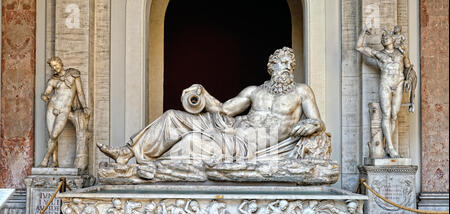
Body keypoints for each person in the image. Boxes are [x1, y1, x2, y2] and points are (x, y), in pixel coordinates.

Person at [97, 47, 325, 164]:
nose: (287, 68)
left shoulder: (301, 91)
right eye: (282, 63)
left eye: (290, 64)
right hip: (230, 127)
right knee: (171, 117)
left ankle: (147, 164)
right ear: (271, 66)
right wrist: (202, 93)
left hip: (245, 144)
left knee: (191, 142)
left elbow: (317, 121)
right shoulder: (255, 91)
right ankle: (127, 152)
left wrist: (313, 125)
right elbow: (224, 110)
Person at [356, 27, 413, 158]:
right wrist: (363, 32)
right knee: (386, 114)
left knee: (394, 115)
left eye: (387, 36)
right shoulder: (379, 54)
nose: (384, 38)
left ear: (393, 39)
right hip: (386, 84)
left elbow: (408, 68)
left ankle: (387, 145)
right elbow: (359, 47)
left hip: (398, 83)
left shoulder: (401, 53)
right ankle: (391, 148)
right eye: (382, 37)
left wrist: (409, 80)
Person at [40, 57, 90, 168]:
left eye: (56, 65)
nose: (55, 68)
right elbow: (47, 92)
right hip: (52, 107)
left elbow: (80, 92)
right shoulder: (53, 80)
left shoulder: (73, 75)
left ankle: (45, 159)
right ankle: (55, 161)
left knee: (54, 135)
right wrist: (44, 96)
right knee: (51, 135)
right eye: (52, 66)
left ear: (61, 63)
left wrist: (85, 106)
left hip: (64, 109)